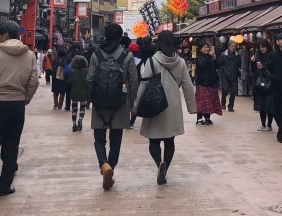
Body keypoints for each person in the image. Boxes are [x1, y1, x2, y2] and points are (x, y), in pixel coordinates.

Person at [0, 21, 38, 200]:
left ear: (4, 35)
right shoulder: (29, 55)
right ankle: (5, 185)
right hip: (17, 104)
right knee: (12, 144)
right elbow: (34, 81)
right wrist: (25, 98)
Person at [135, 30, 196, 186]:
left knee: (153, 141)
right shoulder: (181, 62)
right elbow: (188, 86)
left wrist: (135, 106)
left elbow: (144, 84)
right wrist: (192, 107)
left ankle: (158, 164)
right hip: (172, 105)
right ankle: (165, 168)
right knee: (170, 141)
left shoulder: (151, 61)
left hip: (155, 103)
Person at [86, 23, 138, 190]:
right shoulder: (127, 56)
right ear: (119, 37)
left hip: (100, 103)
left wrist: (91, 97)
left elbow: (90, 79)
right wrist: (131, 101)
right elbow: (133, 81)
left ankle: (103, 164)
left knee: (99, 139)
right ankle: (110, 169)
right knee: (115, 140)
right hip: (120, 103)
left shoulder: (96, 55)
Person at [193, 43, 222, 125]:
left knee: (209, 102)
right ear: (200, 49)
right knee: (201, 102)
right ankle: (199, 119)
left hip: (211, 83)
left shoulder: (211, 58)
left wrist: (215, 58)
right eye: (204, 48)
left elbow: (218, 66)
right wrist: (209, 57)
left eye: (207, 48)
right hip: (202, 82)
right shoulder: (199, 58)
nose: (206, 49)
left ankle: (207, 118)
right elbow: (202, 65)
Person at [251, 39, 273, 131]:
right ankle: (263, 124)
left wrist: (263, 68)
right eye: (260, 47)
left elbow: (272, 70)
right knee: (261, 106)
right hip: (259, 84)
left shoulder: (272, 56)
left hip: (269, 84)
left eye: (263, 47)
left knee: (269, 106)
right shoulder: (257, 57)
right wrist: (252, 62)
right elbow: (253, 70)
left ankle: (269, 125)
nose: (262, 49)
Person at [67, 49, 90, 133]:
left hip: (74, 91)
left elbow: (69, 81)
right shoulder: (87, 71)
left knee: (74, 108)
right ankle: (80, 119)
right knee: (82, 106)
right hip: (84, 90)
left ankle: (74, 124)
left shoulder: (73, 71)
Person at [218, 40, 242, 112]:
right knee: (225, 90)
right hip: (225, 75)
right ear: (228, 46)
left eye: (235, 46)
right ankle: (223, 102)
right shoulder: (223, 55)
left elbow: (239, 65)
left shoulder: (237, 56)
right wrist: (221, 72)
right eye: (232, 46)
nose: (233, 47)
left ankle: (231, 106)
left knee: (233, 92)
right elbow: (219, 64)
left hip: (234, 75)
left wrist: (239, 73)